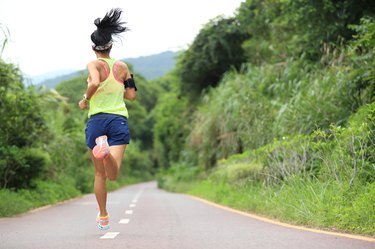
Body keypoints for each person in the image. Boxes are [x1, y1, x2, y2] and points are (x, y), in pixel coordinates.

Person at [78, 8, 137, 230]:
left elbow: (93, 83)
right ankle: (105, 150)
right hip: (118, 120)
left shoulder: (93, 65)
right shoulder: (122, 67)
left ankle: (103, 215)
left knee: (99, 174)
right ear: (111, 46)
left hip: (96, 122)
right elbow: (131, 95)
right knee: (113, 174)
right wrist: (118, 88)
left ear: (94, 48)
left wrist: (85, 100)